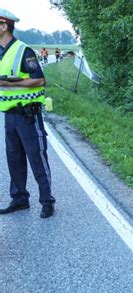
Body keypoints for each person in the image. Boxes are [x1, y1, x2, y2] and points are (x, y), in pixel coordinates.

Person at [0, 8, 55, 218]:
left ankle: (47, 201)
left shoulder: (24, 51)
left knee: (36, 157)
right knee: (14, 157)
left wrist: (8, 83)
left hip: (27, 115)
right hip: (9, 116)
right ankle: (19, 199)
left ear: (4, 26)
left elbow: (40, 80)